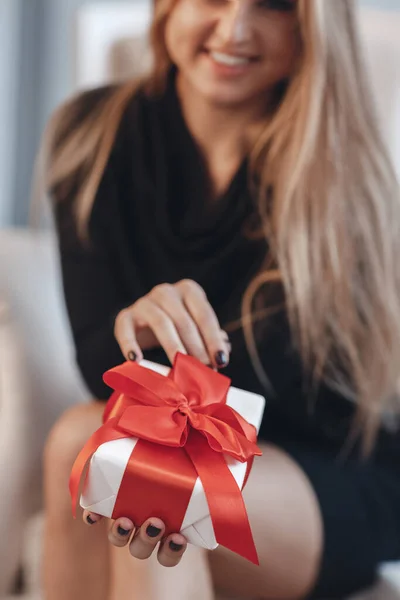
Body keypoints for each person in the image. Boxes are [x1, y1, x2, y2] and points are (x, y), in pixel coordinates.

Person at [42, 0, 400, 599]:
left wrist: (158, 348)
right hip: (174, 435)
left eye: (274, 5)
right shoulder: (92, 134)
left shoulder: (335, 166)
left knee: (134, 467)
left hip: (324, 470)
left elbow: (288, 386)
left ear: (311, 25)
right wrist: (135, 329)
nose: (234, 28)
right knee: (91, 441)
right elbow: (95, 362)